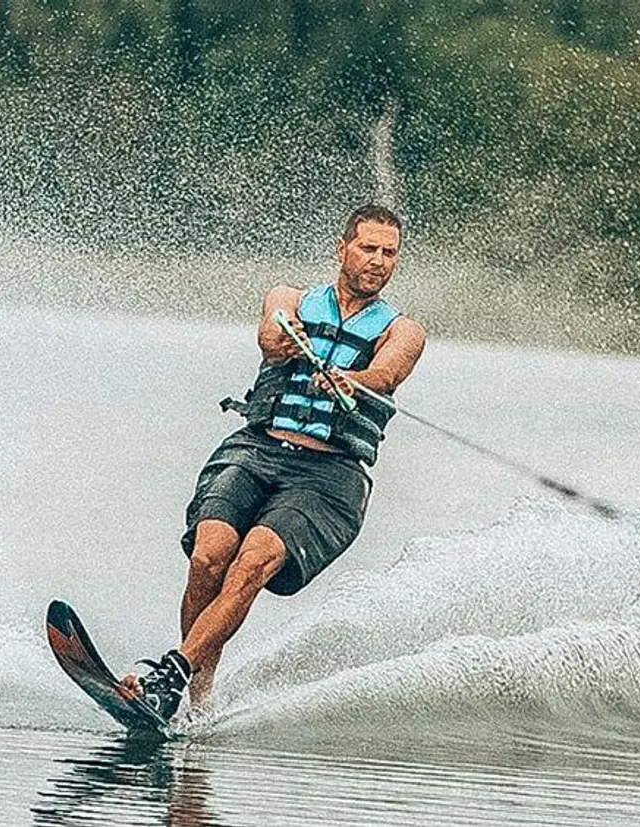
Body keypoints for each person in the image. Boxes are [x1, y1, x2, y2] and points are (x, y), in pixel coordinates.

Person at [122, 204, 427, 721]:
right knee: (209, 556)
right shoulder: (289, 299)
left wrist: (350, 379)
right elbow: (270, 334)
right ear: (342, 248)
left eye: (389, 253)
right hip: (258, 449)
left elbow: (389, 373)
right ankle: (197, 695)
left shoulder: (402, 330)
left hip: (328, 478)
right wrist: (282, 340)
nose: (378, 261)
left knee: (253, 562)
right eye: (369, 248)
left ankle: (170, 676)